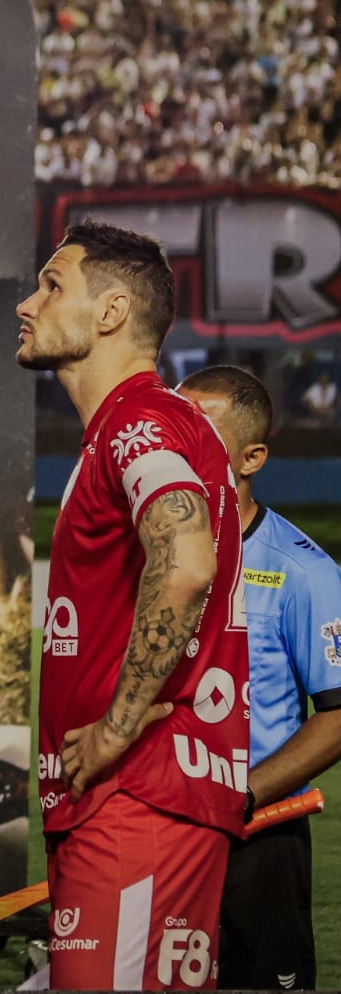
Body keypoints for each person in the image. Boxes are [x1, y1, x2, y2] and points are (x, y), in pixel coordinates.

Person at [17, 222, 246, 990]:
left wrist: (116, 727)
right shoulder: (140, 425)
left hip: (136, 805)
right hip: (132, 808)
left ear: (111, 312)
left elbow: (185, 563)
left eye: (52, 286)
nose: (28, 304)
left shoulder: (137, 420)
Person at [178, 365, 341, 991]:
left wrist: (242, 794)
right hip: (157, 825)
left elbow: (337, 715)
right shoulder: (135, 555)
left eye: (201, 436)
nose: (177, 449)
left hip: (257, 835)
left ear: (251, 458)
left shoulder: (303, 571)